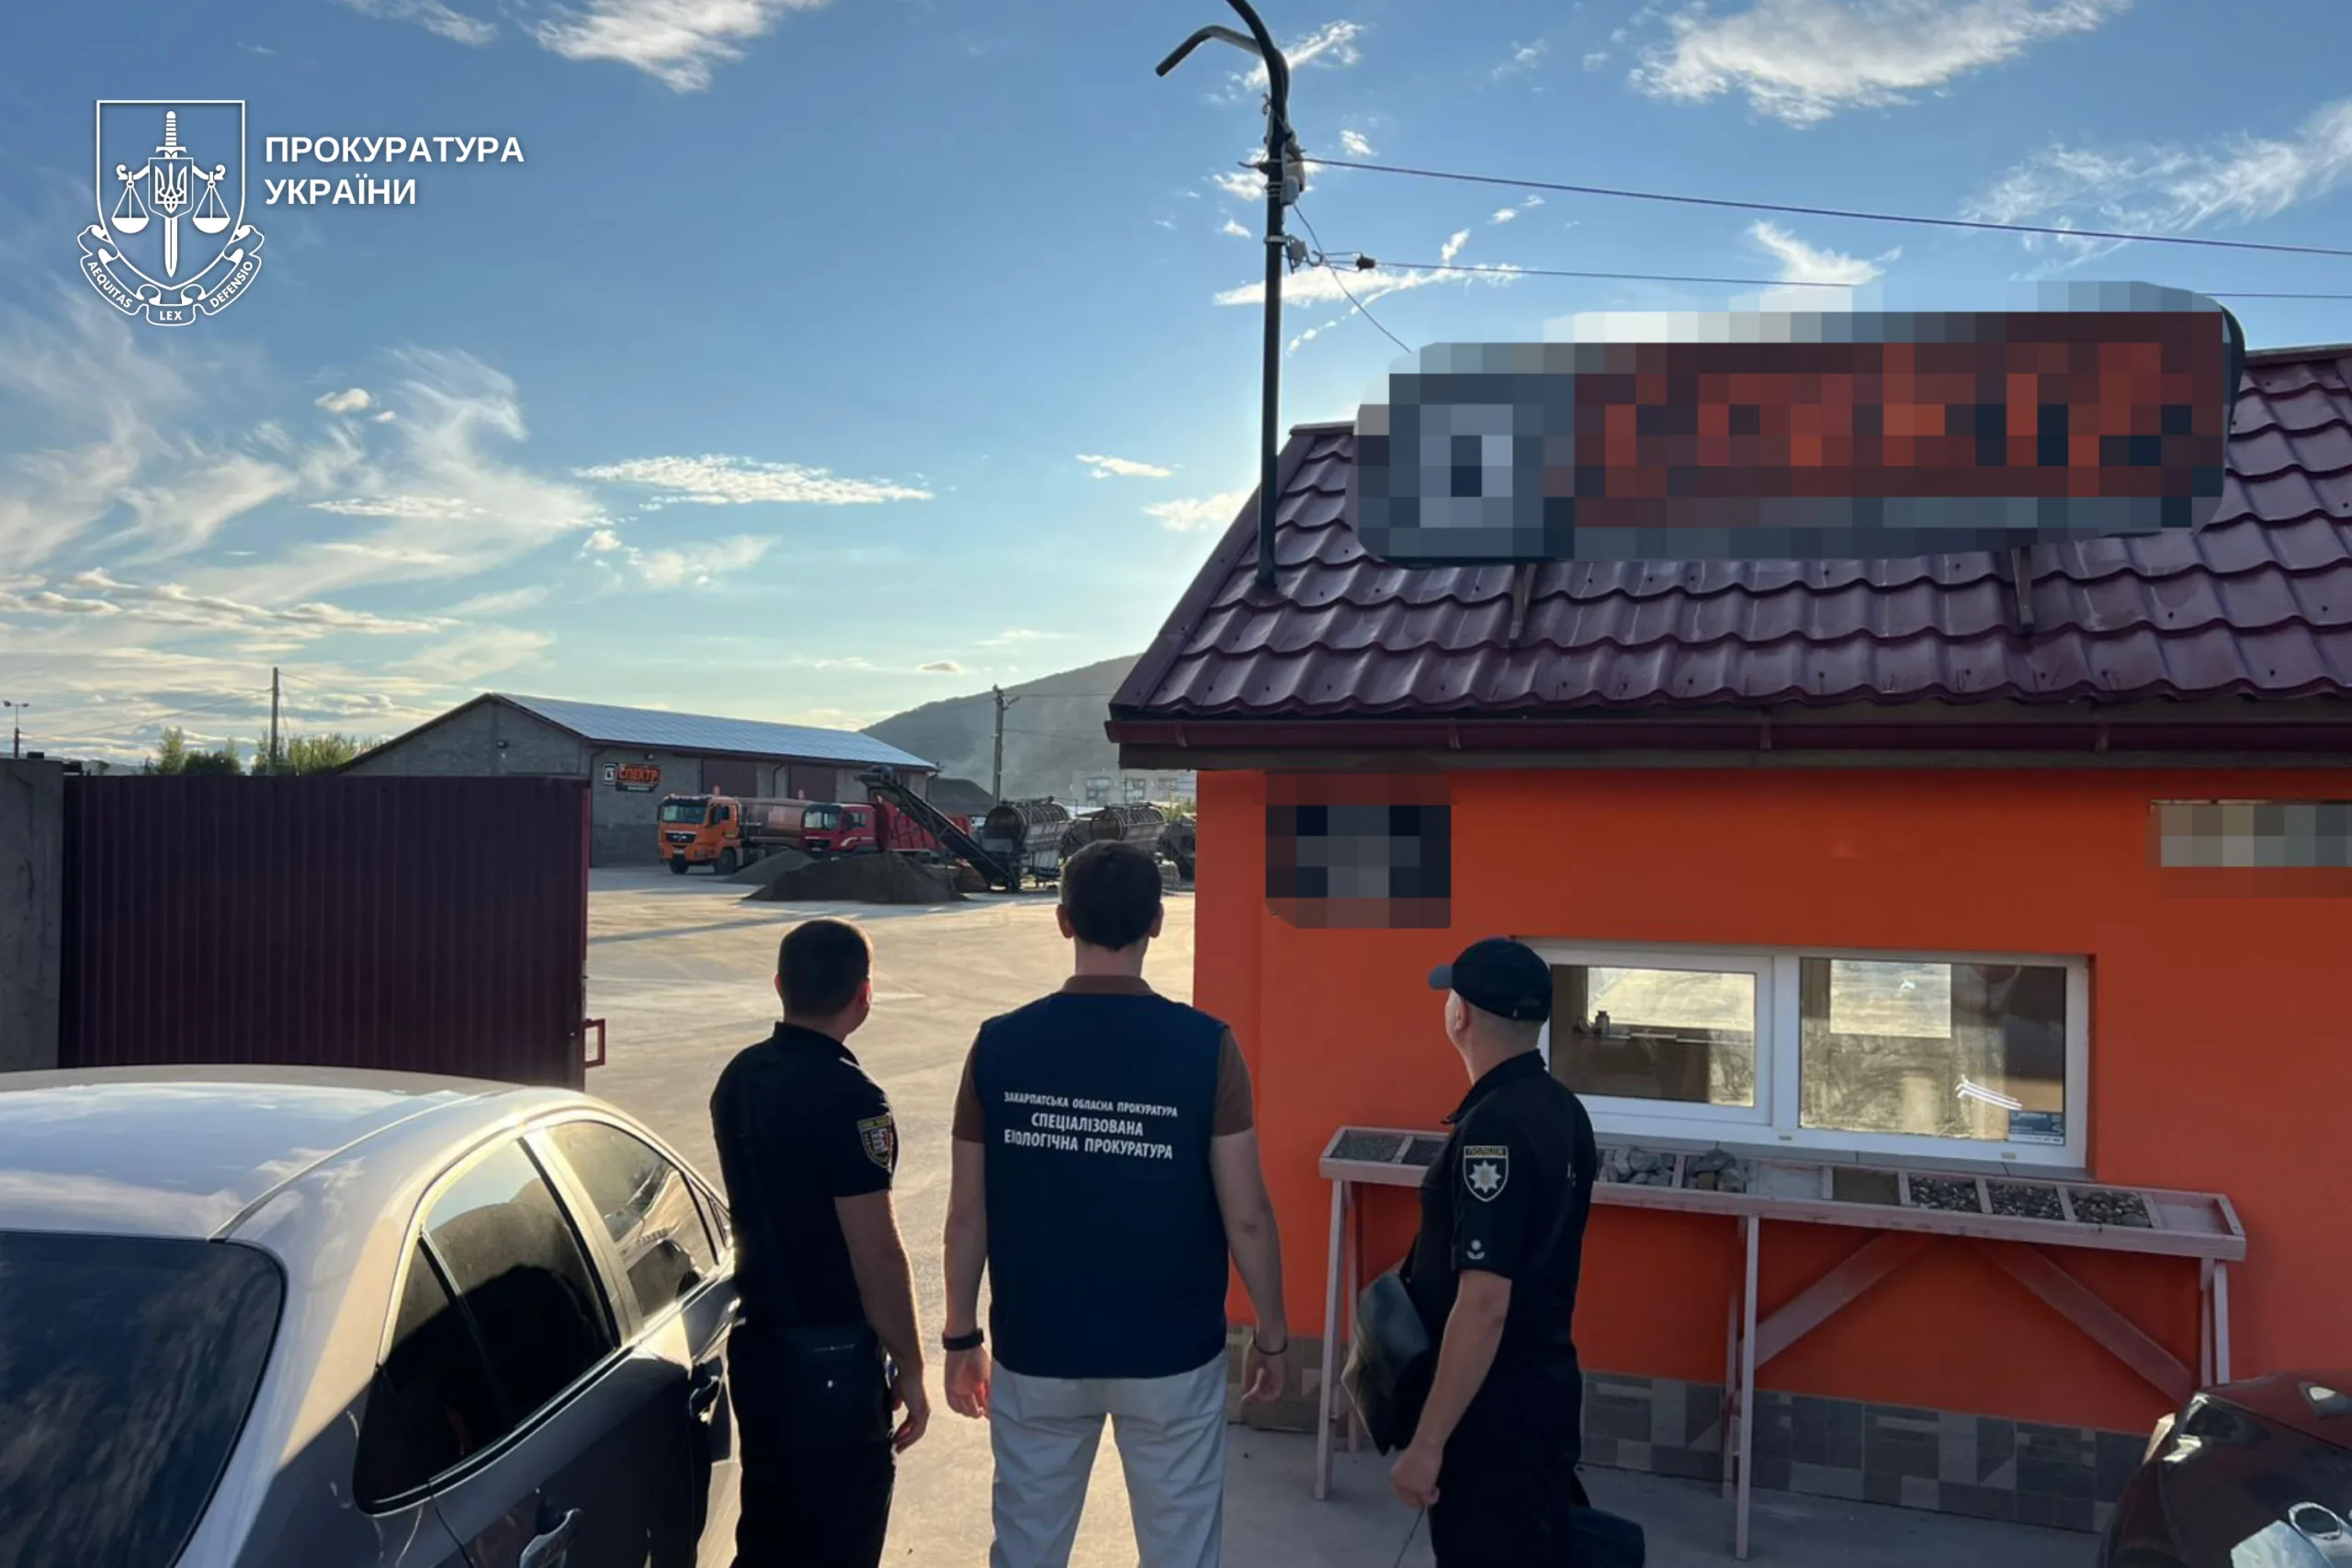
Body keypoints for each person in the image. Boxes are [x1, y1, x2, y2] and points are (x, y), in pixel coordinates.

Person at [940, 839, 1287, 1568]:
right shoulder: (1207, 1047)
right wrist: (1273, 1333)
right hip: (1170, 1354)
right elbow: (1248, 1213)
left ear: (1063, 920)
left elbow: (967, 1213)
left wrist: (961, 1335)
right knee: (1181, 1550)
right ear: (1157, 922)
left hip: (1039, 1348)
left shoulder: (998, 1045)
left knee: (1028, 1549)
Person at [709, 918, 929, 1568]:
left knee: (767, 1538)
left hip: (760, 1354)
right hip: (831, 1368)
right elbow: (876, 1252)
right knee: (837, 1544)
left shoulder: (739, 1077)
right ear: (864, 995)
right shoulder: (852, 1098)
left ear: (780, 985)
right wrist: (911, 1366)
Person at [1388, 938, 1599, 1567]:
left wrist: (1429, 1442)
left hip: (1491, 1418)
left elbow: (1484, 1302)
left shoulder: (1494, 1129)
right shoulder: (1563, 1109)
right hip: (1539, 1393)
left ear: (1462, 1015)